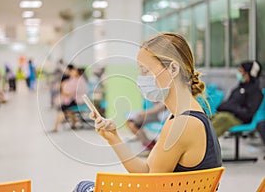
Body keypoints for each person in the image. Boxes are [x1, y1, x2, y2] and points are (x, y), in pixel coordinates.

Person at [73, 33, 222, 191]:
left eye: (145, 71)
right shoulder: (188, 117)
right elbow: (146, 173)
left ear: (173, 68)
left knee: (84, 188)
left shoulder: (181, 125)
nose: (141, 79)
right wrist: (114, 138)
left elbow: (149, 187)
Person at [211, 61, 263, 137]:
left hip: (240, 120)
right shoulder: (239, 88)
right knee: (208, 118)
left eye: (241, 71)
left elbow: (247, 113)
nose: (238, 74)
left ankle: (205, 144)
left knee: (222, 119)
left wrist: (230, 108)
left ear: (248, 74)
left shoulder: (255, 92)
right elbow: (228, 103)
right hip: (229, 115)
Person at [51, 65, 88, 132]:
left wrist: (62, 89)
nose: (71, 72)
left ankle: (55, 128)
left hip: (78, 101)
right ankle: (74, 124)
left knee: (61, 108)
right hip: (75, 99)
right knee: (67, 108)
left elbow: (68, 93)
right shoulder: (76, 79)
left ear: (77, 72)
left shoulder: (78, 82)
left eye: (74, 71)